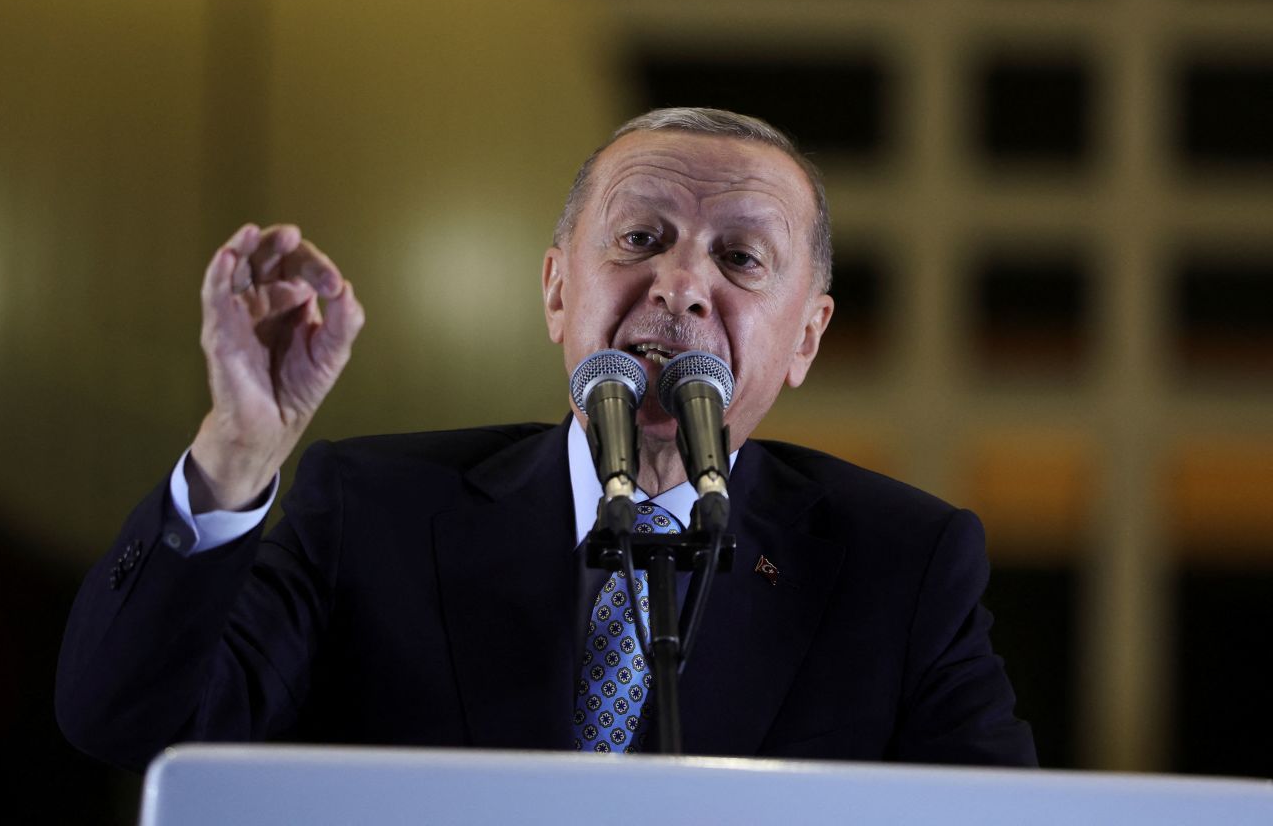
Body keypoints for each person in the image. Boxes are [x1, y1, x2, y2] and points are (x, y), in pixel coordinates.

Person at [56, 108, 1036, 770]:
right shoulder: (371, 511)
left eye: (739, 257)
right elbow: (131, 728)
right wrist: (234, 453)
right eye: (639, 238)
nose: (679, 286)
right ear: (557, 290)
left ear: (805, 339)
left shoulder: (898, 566)